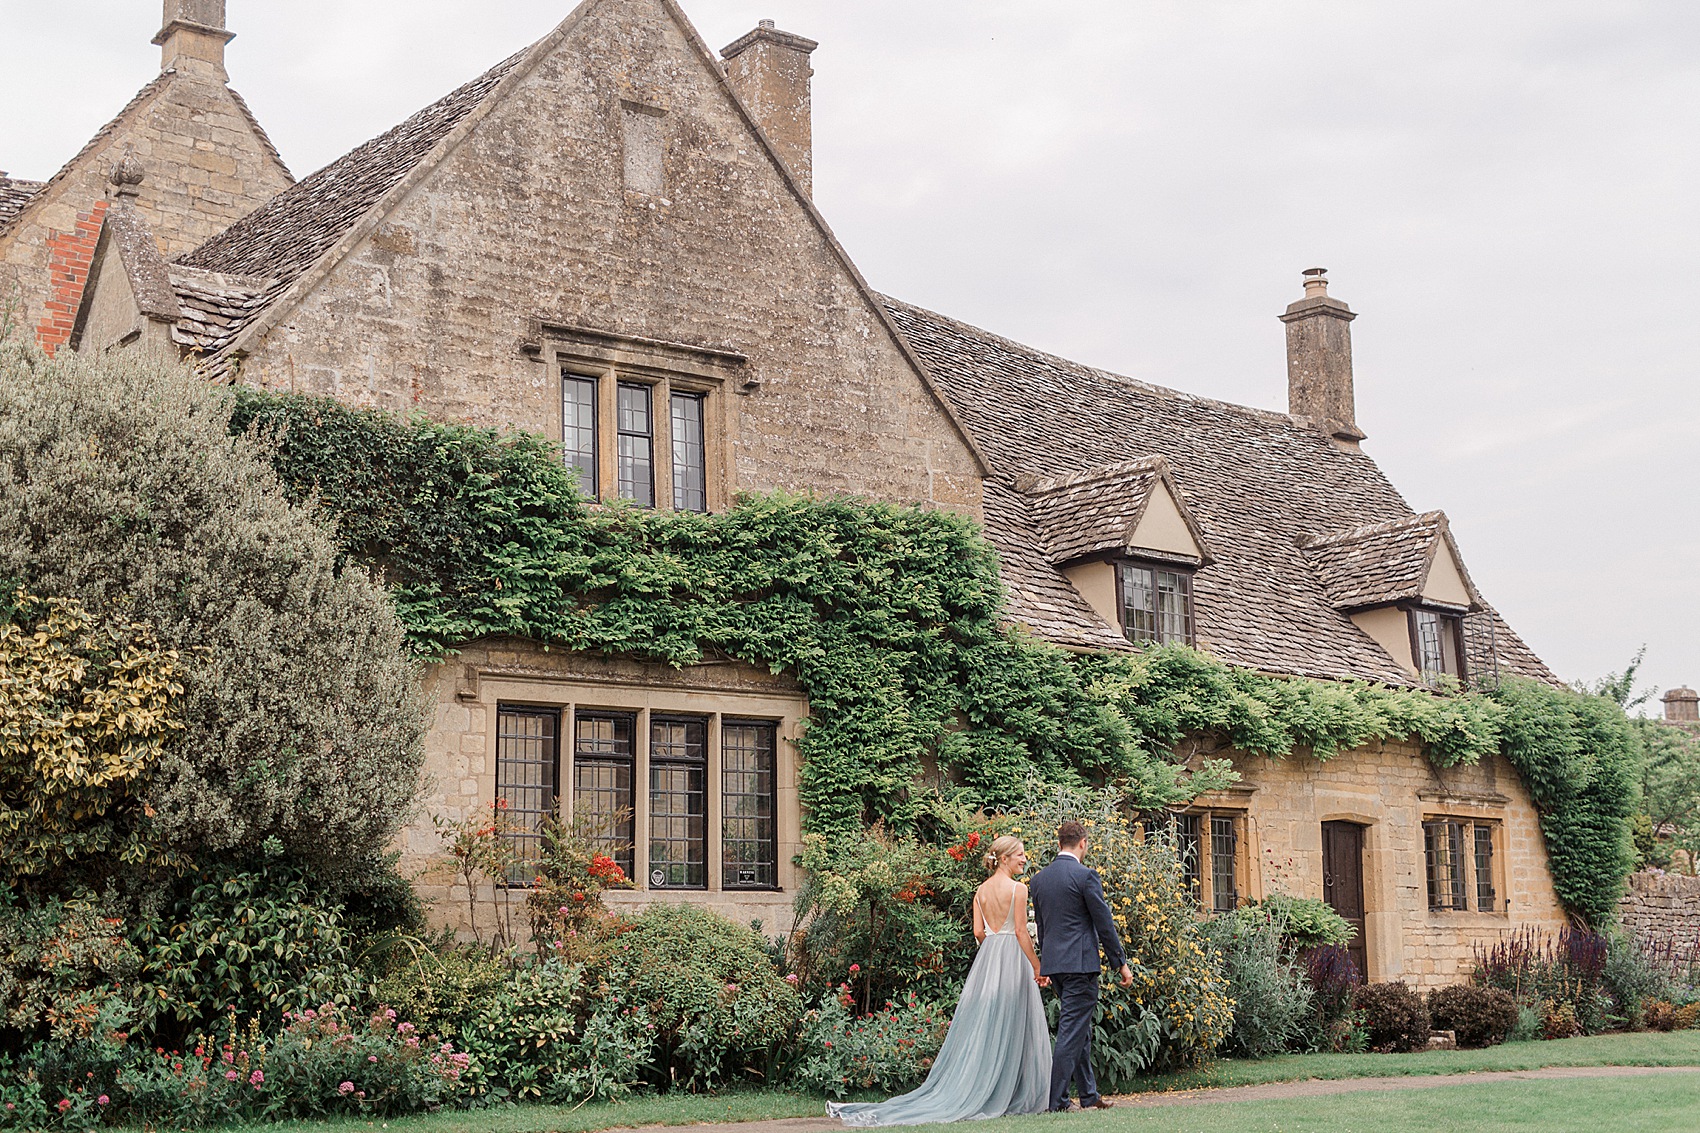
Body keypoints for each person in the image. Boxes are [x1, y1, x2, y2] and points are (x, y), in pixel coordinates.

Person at [827, 836, 1052, 1126]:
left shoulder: (980, 891)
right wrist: (1037, 966)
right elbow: (1021, 932)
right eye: (1020, 855)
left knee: (989, 1023)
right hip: (1012, 959)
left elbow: (979, 933)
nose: (1024, 859)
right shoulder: (1018, 889)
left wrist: (994, 950)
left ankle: (992, 1085)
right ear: (1005, 858)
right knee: (1015, 1022)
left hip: (988, 959)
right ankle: (1012, 1091)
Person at [1027, 820, 1135, 1113]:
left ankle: (1089, 1094)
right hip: (1080, 966)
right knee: (1072, 1030)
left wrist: (1045, 966)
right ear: (1083, 843)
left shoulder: (1039, 880)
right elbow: (1104, 923)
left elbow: (1042, 926)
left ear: (1059, 843)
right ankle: (1058, 1101)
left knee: (1079, 1030)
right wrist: (1120, 963)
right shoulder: (1085, 876)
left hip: (1057, 966)